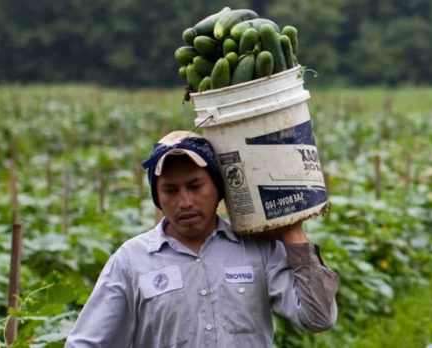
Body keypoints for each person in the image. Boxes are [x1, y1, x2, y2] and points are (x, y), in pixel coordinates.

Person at [66, 131, 338, 347]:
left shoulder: (257, 249)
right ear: (157, 198)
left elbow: (318, 318)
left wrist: (292, 230)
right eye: (170, 190)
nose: (184, 202)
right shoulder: (132, 261)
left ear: (218, 189)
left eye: (195, 187)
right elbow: (87, 343)